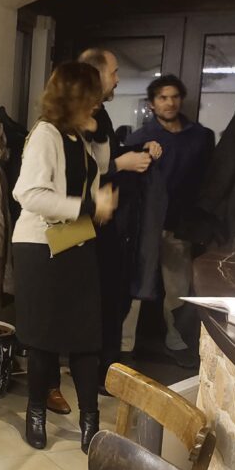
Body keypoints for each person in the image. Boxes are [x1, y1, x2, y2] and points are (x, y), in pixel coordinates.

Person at [12, 61, 116, 453]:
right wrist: (88, 206)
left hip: (76, 240)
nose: (98, 102)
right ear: (73, 95)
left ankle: (91, 421)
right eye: (92, 96)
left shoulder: (76, 134)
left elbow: (100, 168)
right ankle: (35, 412)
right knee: (43, 338)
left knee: (86, 336)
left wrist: (99, 131)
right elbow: (29, 194)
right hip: (41, 246)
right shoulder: (46, 134)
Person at [76, 48, 162, 399]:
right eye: (113, 72)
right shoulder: (77, 118)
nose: (117, 79)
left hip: (104, 223)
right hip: (83, 224)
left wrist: (138, 148)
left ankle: (104, 372)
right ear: (96, 75)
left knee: (112, 298)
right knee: (100, 300)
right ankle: (97, 374)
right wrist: (120, 165)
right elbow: (78, 170)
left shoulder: (102, 114)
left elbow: (105, 155)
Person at [124, 75, 215, 368]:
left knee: (178, 287)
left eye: (174, 96)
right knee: (135, 283)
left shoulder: (199, 137)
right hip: (144, 225)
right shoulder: (140, 138)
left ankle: (179, 341)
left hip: (181, 225)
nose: (170, 102)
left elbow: (208, 180)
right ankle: (123, 346)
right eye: (163, 97)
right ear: (152, 103)